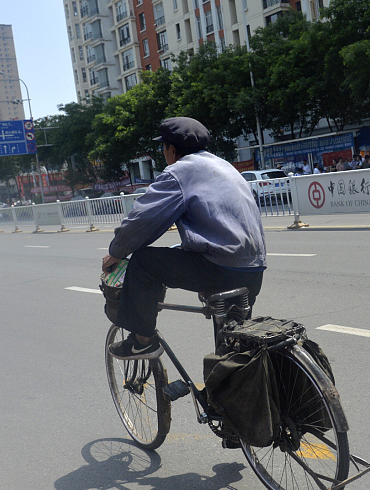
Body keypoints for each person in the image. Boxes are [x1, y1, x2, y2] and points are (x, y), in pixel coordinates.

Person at [102, 117, 267, 360]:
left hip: (219, 268)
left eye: (164, 148)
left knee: (143, 261)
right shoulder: (225, 167)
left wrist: (116, 251)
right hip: (254, 270)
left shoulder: (179, 172)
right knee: (234, 345)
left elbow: (142, 221)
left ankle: (143, 341)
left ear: (171, 149)